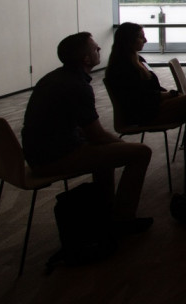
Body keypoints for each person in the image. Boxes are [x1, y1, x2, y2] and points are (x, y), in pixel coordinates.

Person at [21, 32, 153, 232]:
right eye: (95, 48)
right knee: (141, 152)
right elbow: (96, 135)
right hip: (53, 158)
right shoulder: (77, 86)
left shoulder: (55, 78)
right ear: (86, 58)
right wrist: (123, 145)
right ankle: (123, 219)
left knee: (105, 152)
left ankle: (106, 211)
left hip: (39, 153)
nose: (99, 49)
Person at [104, 22, 186, 126]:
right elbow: (141, 98)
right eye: (141, 37)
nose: (145, 40)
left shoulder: (136, 61)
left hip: (149, 109)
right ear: (129, 41)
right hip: (144, 114)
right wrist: (170, 94)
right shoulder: (123, 68)